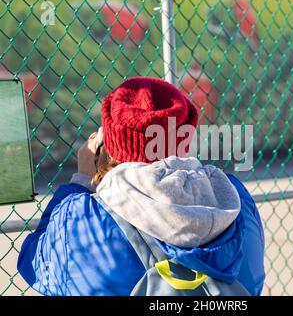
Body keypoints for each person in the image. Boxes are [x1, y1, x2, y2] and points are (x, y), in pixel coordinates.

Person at [17, 77, 265, 296]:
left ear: (109, 142)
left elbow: (34, 264)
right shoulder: (234, 199)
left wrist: (81, 183)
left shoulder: (84, 218)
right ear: (184, 138)